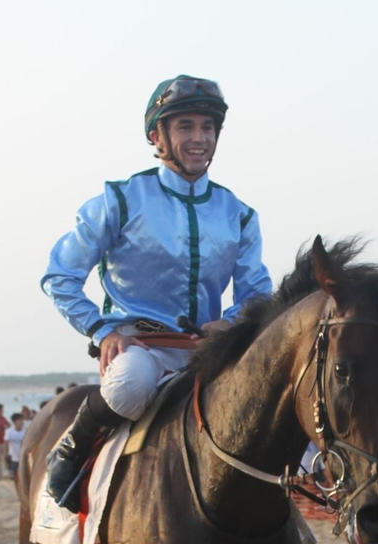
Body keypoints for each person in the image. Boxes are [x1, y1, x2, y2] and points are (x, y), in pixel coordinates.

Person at [42, 76, 273, 510]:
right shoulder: (120, 200)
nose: (199, 138)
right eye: (185, 126)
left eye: (207, 127)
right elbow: (60, 276)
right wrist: (102, 331)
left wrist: (231, 322)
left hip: (209, 351)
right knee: (130, 386)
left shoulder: (239, 214)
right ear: (157, 136)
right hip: (140, 348)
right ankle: (71, 449)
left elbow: (257, 293)